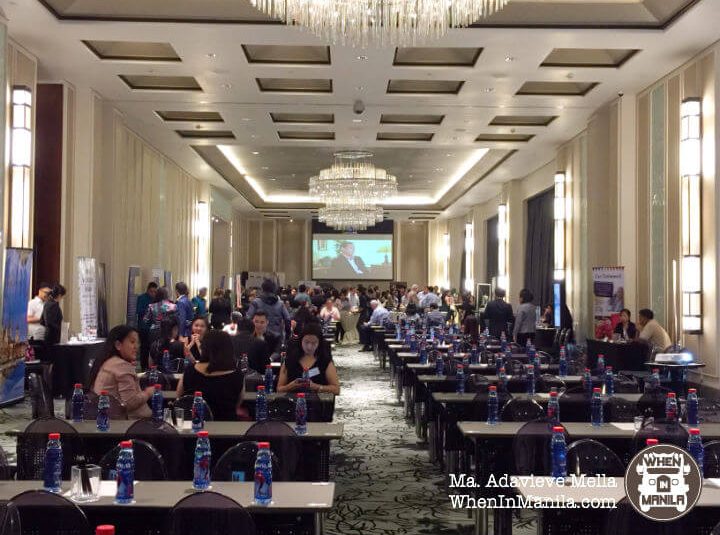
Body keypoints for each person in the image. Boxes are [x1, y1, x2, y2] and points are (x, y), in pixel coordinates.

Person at [176, 330, 244, 421]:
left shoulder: (190, 370)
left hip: (194, 424)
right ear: (229, 349)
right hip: (226, 424)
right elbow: (238, 403)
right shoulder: (237, 375)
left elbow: (179, 396)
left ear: (204, 347)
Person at [88, 325, 153, 419]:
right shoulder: (121, 366)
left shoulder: (107, 362)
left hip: (108, 421)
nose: (136, 347)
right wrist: (147, 393)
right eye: (132, 342)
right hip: (132, 424)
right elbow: (130, 402)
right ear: (118, 345)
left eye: (137, 343)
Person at [277, 322, 340, 395]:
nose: (309, 347)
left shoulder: (324, 361)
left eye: (314, 343)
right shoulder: (290, 360)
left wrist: (316, 387)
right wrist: (291, 386)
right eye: (306, 342)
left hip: (318, 400)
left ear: (319, 343)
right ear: (301, 341)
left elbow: (336, 390)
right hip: (292, 400)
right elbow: (279, 389)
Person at [135, 282, 158, 370]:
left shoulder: (156, 299)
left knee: (153, 348)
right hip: (143, 327)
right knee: (144, 348)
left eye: (155, 292)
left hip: (153, 328)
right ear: (147, 290)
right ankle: (143, 366)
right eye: (151, 291)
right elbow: (139, 311)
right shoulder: (142, 298)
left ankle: (151, 366)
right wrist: (149, 309)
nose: (153, 293)